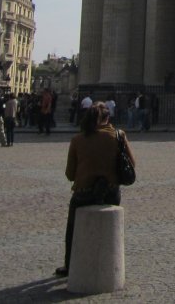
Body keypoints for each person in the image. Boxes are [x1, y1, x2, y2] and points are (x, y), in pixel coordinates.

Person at [57, 102, 135, 278]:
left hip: (83, 193)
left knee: (72, 227)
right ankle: (110, 261)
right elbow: (132, 163)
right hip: (110, 192)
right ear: (108, 118)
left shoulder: (78, 139)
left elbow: (70, 174)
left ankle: (69, 264)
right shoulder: (118, 136)